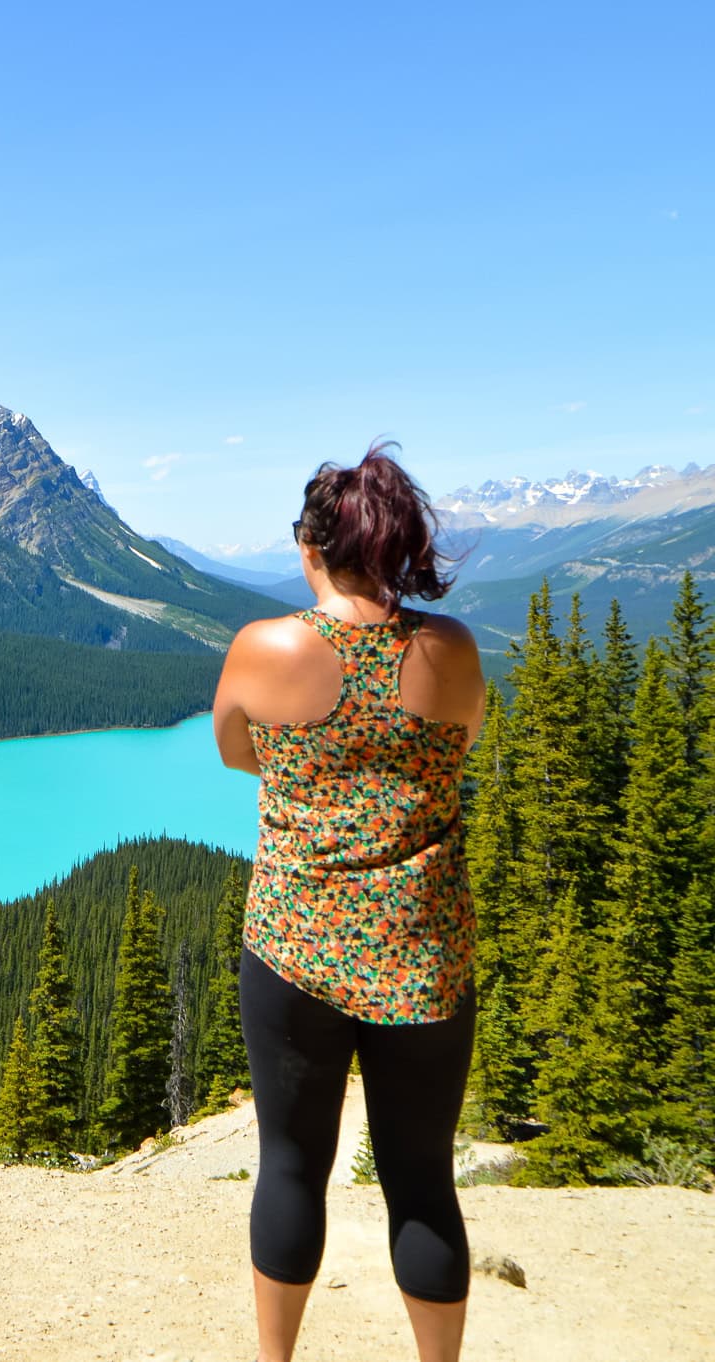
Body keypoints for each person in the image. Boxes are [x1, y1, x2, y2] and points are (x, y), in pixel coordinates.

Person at [211, 443, 486, 1362]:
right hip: (424, 950)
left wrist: (306, 775)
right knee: (422, 1180)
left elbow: (234, 749)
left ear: (312, 548)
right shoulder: (450, 650)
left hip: (296, 947)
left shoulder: (266, 647)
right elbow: (456, 748)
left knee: (292, 1166)